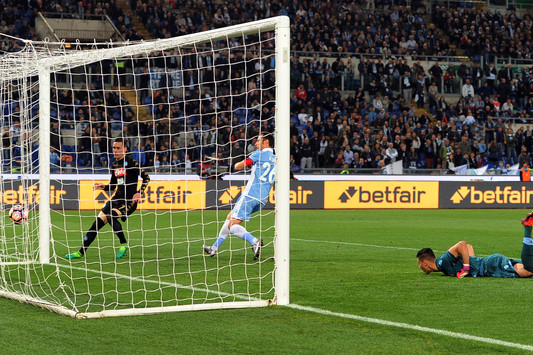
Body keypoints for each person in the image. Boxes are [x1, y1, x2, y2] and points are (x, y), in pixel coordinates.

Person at [66, 137, 151, 260]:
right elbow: (113, 184)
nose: (115, 150)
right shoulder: (115, 164)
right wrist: (104, 186)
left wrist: (139, 193)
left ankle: (124, 244)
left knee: (111, 215)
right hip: (116, 199)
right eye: (114, 148)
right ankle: (80, 252)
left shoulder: (131, 162)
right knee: (96, 224)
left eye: (118, 148)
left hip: (128, 201)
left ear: (125, 149)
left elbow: (146, 177)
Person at [203, 133, 275, 260]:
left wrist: (238, 162)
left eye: (258, 141)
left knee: (232, 225)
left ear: (266, 142)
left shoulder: (259, 154)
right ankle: (214, 248)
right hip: (262, 199)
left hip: (250, 195)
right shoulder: (275, 158)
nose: (256, 143)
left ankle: (254, 241)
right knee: (230, 217)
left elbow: (239, 166)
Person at [416, 212, 533, 278]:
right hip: (490, 264)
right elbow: (469, 247)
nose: (419, 267)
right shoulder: (443, 266)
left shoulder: (443, 261)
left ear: (425, 263)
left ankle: (528, 227)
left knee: (529, 271)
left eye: (419, 263)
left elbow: (462, 244)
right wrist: (471, 262)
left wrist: (466, 268)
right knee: (529, 266)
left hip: (490, 267)